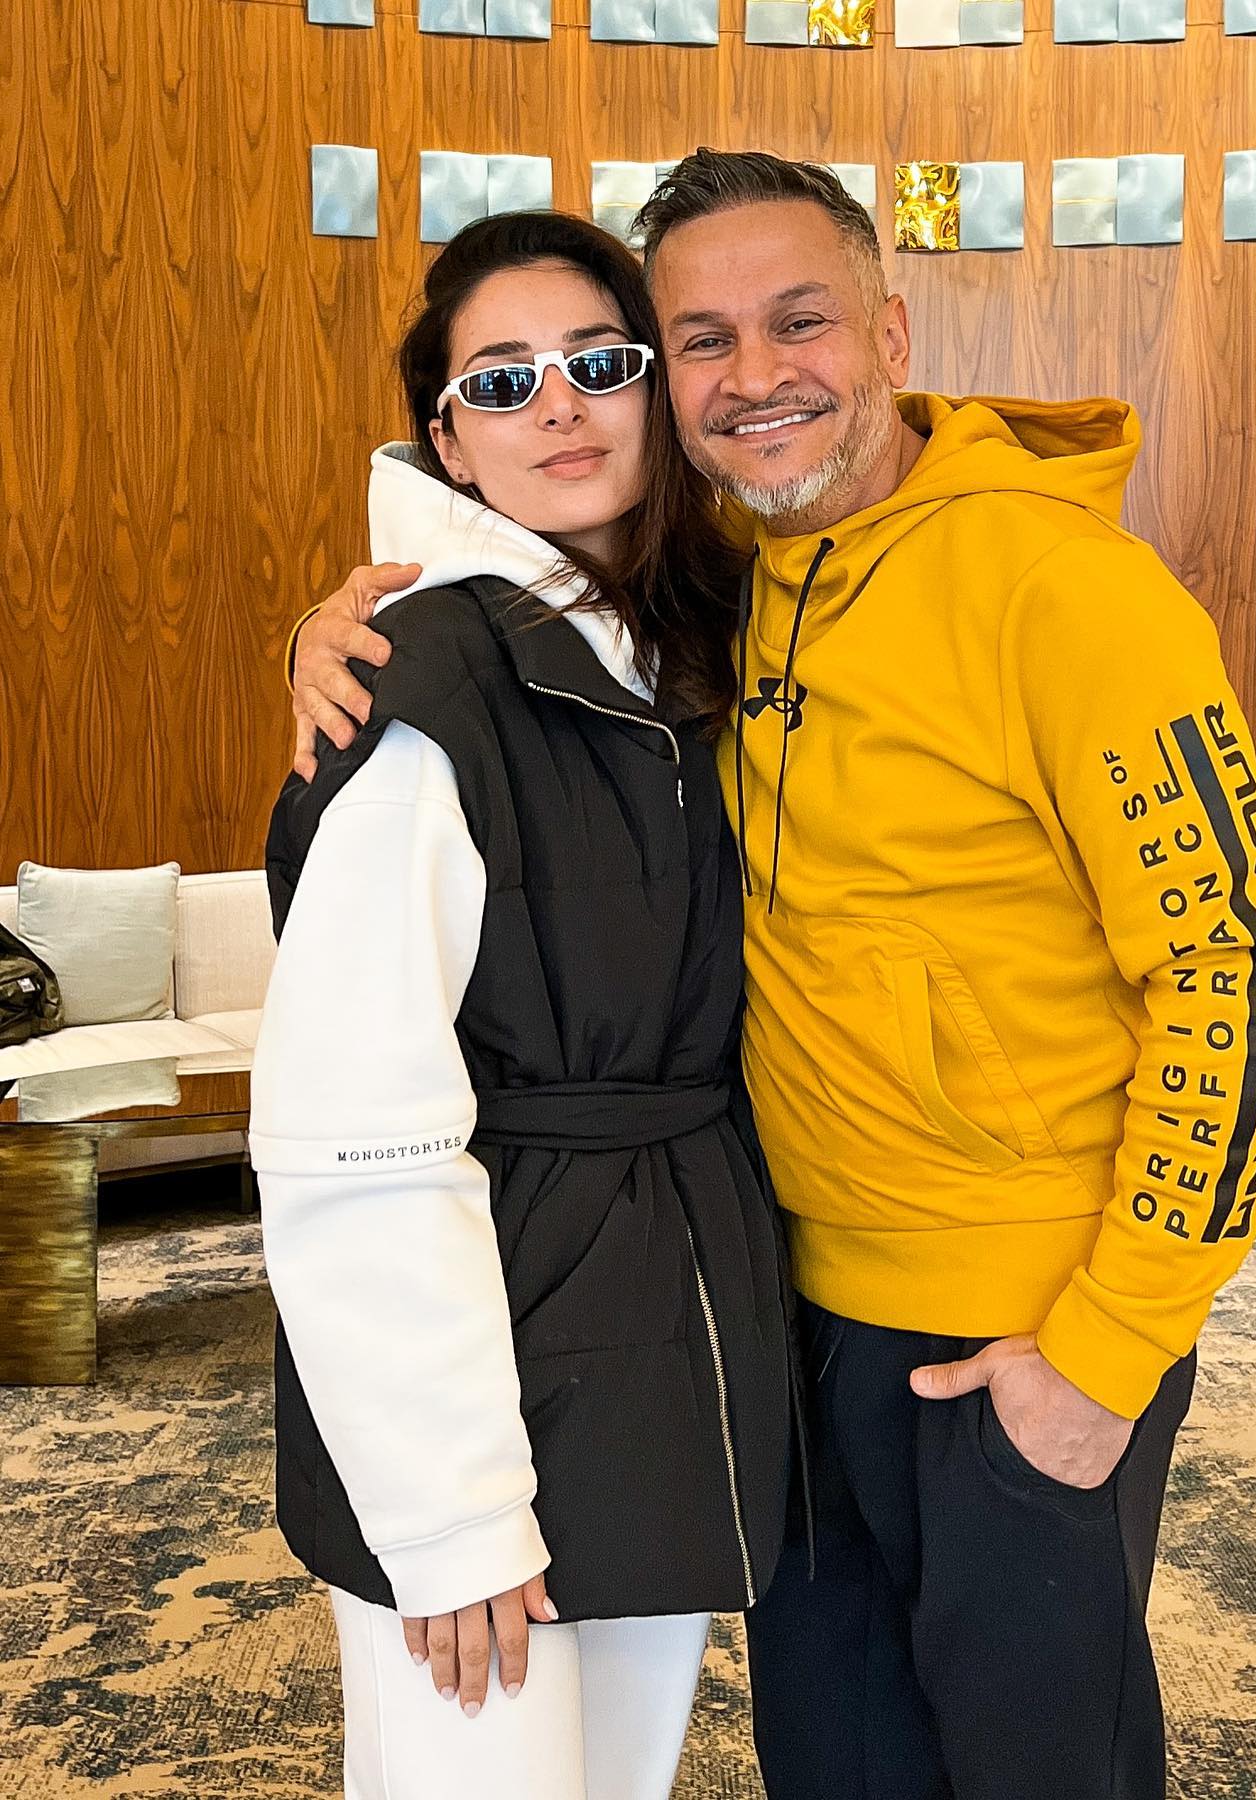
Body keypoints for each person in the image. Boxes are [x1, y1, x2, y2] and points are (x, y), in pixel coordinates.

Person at [291, 152, 1256, 1800]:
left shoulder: (1069, 590)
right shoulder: (721, 583)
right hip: (790, 1315)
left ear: (891, 331)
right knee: (841, 1762)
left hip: (1019, 1326)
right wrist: (353, 620)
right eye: (701, 339)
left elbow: (1247, 973)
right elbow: (508, 582)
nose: (755, 374)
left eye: (801, 320)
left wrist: (1112, 1347)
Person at [250, 208, 792, 1800]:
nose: (559, 406)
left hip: (657, 1337)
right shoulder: (418, 687)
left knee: (616, 1776)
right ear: (447, 442)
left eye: (600, 363)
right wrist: (450, 1510)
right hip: (476, 1364)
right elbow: (352, 1134)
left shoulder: (693, 643)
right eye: (501, 381)